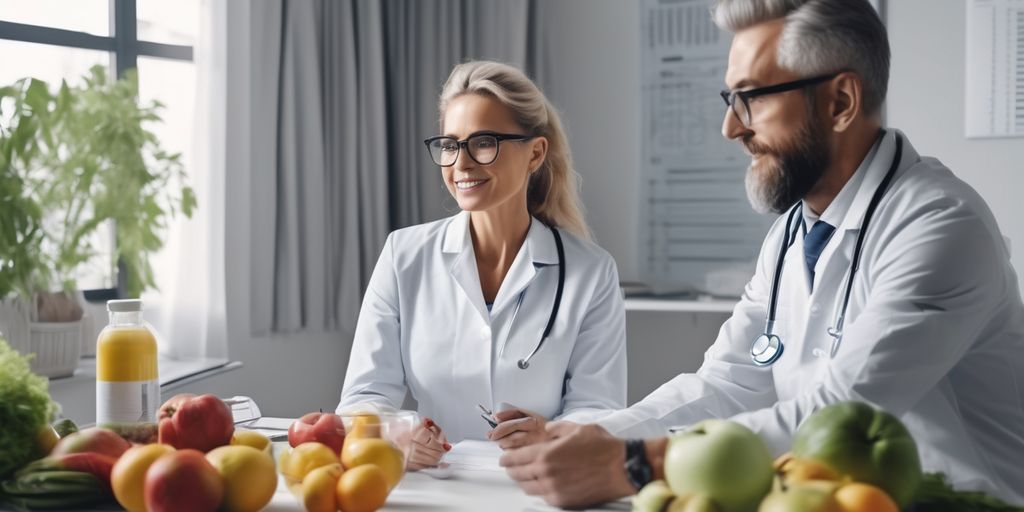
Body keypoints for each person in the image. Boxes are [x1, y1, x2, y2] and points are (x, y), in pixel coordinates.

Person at [499, 0, 1024, 507]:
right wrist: (582, 433)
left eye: (752, 97)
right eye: (730, 99)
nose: (732, 128)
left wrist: (632, 463)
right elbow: (728, 382)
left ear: (840, 102)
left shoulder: (938, 225)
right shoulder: (794, 231)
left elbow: (837, 417)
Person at [338, 60, 627, 470]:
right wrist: (401, 435)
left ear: (535, 153)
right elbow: (362, 399)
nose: (462, 163)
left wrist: (552, 433)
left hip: (538, 485)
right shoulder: (404, 255)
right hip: (434, 486)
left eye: (484, 142)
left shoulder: (591, 272)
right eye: (451, 145)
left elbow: (600, 409)